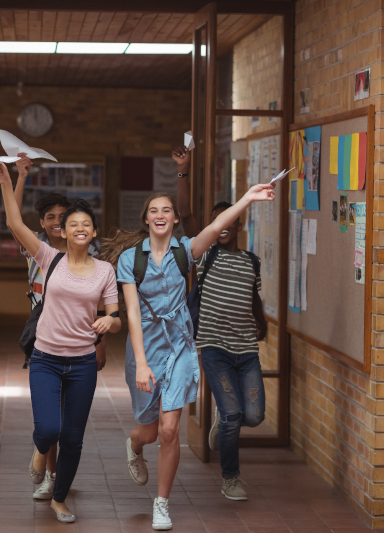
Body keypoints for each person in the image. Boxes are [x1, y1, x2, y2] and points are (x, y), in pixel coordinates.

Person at [99, 179, 274, 531]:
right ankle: (134, 445)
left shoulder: (185, 251)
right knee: (148, 433)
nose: (160, 215)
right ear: (146, 220)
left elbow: (215, 227)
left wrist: (248, 199)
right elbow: (131, 313)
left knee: (168, 430)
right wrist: (142, 363)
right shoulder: (131, 259)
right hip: (144, 349)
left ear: (176, 219)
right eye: (154, 211)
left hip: (179, 346)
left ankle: (161, 503)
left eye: (166, 210)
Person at [0, 159, 122, 523]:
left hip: (82, 363)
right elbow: (15, 223)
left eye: (86, 225)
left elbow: (115, 316)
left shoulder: (105, 270)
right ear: (62, 231)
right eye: (72, 224)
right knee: (49, 428)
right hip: (46, 358)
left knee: (74, 438)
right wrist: (8, 180)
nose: (79, 229)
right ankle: (38, 452)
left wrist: (107, 326)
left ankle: (60, 497)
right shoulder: (49, 258)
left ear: (93, 232)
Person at [173, 145, 268, 502]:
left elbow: (254, 297)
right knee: (233, 414)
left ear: (239, 224)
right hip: (214, 347)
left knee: (253, 416)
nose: (222, 227)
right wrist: (184, 170)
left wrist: (261, 323)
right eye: (217, 222)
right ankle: (230, 478)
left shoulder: (251, 262)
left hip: (246, 349)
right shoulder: (205, 253)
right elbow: (185, 213)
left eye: (228, 220)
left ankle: (224, 423)